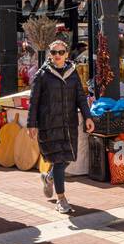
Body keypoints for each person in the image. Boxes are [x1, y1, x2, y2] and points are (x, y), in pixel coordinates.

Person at [27, 38, 94, 215]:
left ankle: (49, 178)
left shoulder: (72, 72)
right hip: (49, 123)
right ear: (50, 54)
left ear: (66, 54)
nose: (57, 55)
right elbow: (34, 101)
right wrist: (31, 124)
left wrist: (88, 116)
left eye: (61, 52)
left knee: (67, 158)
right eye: (54, 52)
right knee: (58, 161)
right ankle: (61, 199)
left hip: (68, 122)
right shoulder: (42, 74)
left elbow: (80, 96)